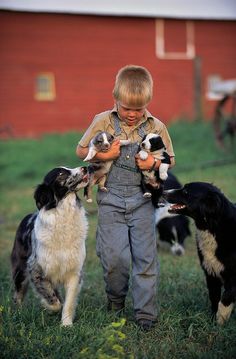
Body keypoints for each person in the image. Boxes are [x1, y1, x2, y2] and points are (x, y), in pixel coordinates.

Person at [76, 65, 175, 331]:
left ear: (147, 104)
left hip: (142, 201)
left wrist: (153, 163)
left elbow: (170, 160)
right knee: (114, 259)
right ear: (115, 99)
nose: (132, 115)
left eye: (138, 109)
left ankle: (145, 314)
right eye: (126, 108)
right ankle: (115, 299)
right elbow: (81, 149)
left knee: (145, 259)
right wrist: (104, 156)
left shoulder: (157, 126)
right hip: (110, 200)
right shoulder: (103, 121)